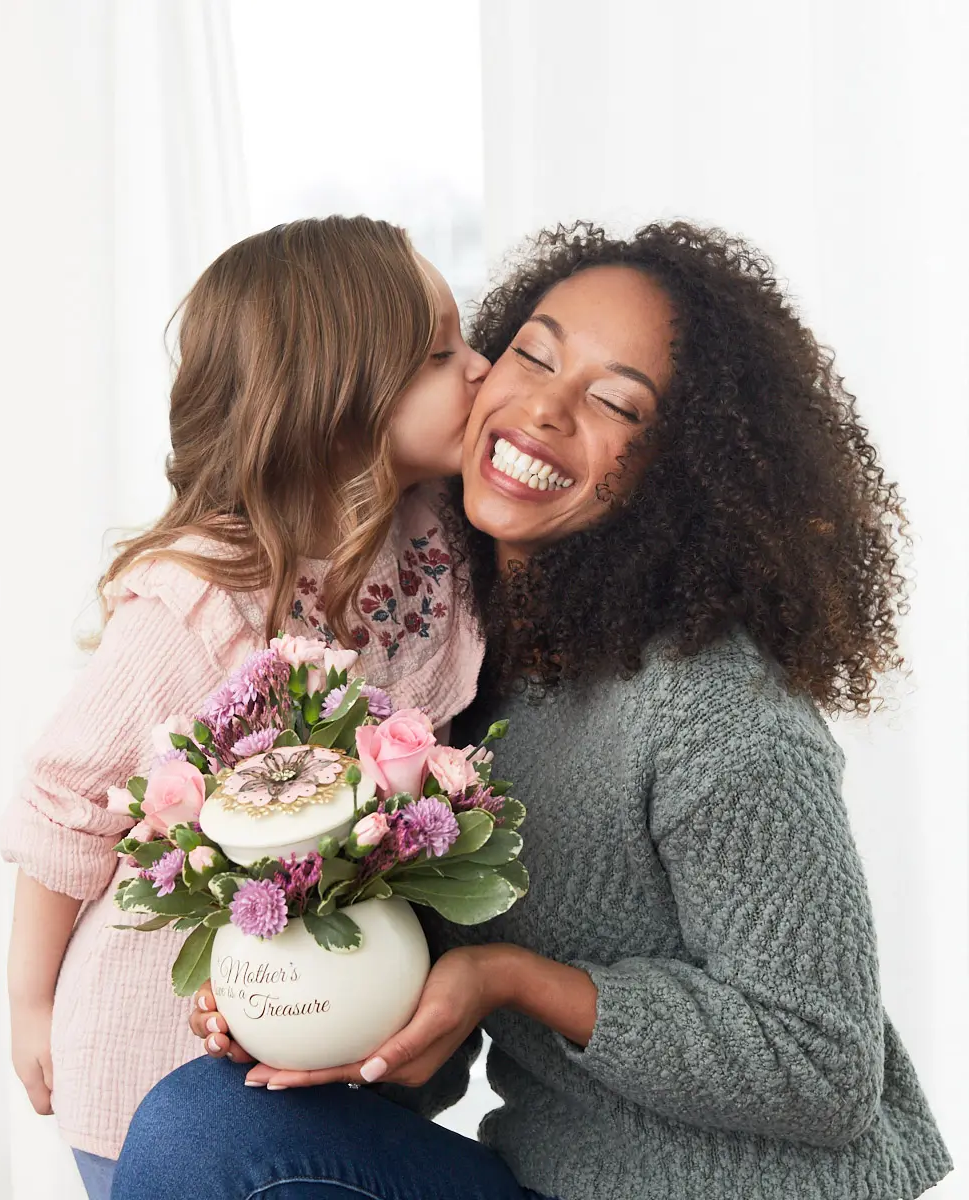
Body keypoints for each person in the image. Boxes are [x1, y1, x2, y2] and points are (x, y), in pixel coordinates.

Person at [113, 221, 952, 1200]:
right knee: (210, 1122)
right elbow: (426, 1062)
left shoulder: (715, 710)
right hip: (548, 1185)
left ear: (682, 469)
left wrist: (512, 982)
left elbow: (824, 1064)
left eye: (612, 402)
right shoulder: (455, 678)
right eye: (533, 355)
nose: (545, 409)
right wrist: (300, 1012)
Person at [0, 215, 490, 1200]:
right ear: (337, 404)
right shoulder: (204, 598)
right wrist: (28, 1008)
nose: (481, 369)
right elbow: (68, 799)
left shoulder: (438, 544)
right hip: (152, 1065)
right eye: (441, 354)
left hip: (328, 1054)